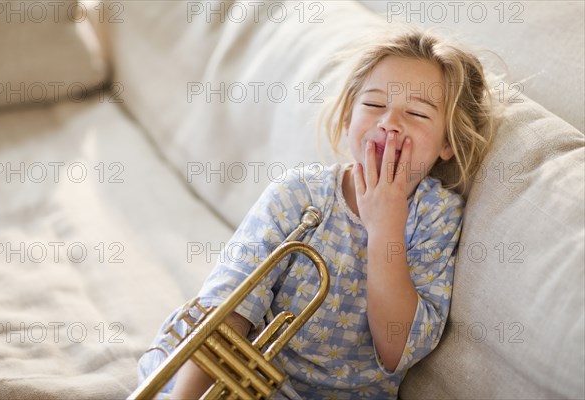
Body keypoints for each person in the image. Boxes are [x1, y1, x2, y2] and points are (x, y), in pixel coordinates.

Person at [137, 27, 494, 399]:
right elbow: (227, 311)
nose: (389, 122)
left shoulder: (438, 216)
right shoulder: (297, 195)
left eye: (417, 113)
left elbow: (395, 350)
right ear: (347, 119)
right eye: (373, 105)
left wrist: (385, 226)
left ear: (448, 142)